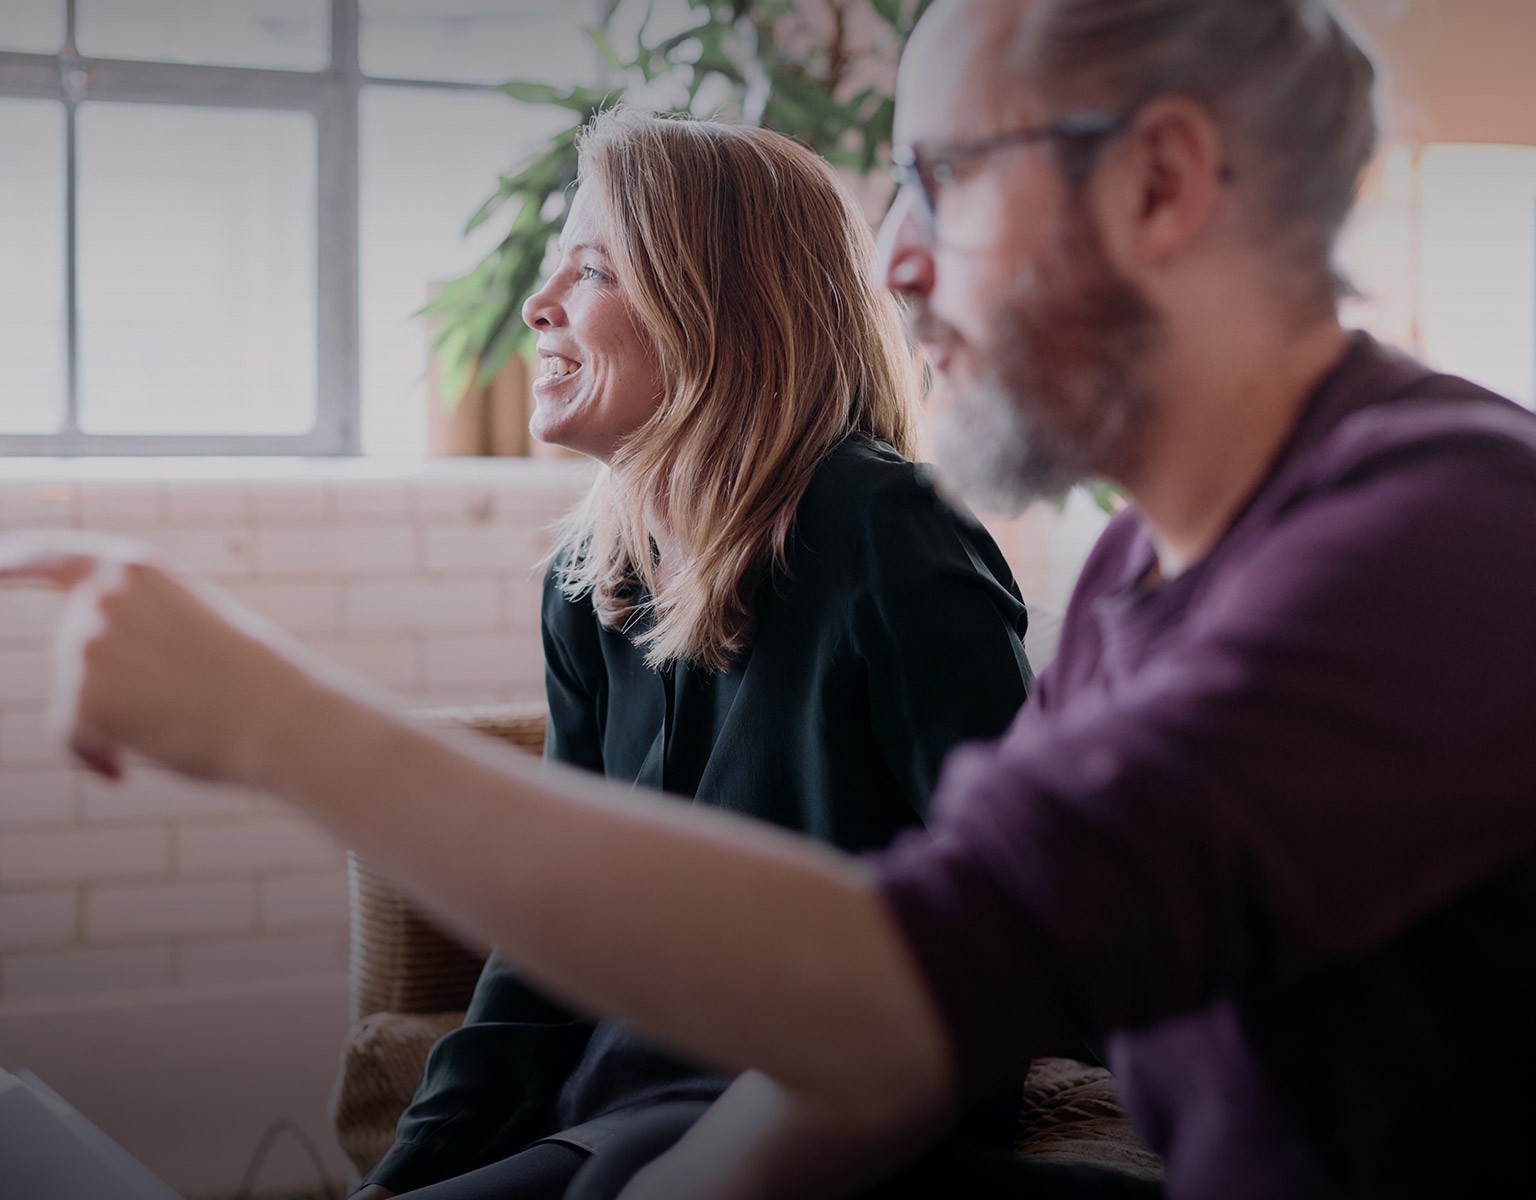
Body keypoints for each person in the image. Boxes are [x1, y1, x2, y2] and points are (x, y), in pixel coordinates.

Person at [5, 0, 1536, 1196]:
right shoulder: (1151, 569)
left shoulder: (1440, 540)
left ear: (1160, 181)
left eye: (939, 178)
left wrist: (276, 722)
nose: (895, 259)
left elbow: (912, 988)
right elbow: (939, 981)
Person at [422, 108, 1044, 1198]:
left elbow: (1018, 910)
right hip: (629, 1103)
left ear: (718, 310)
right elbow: (559, 918)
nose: (538, 305)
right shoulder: (588, 581)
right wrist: (416, 1161)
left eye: (593, 270)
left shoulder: (885, 528)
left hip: (843, 1106)